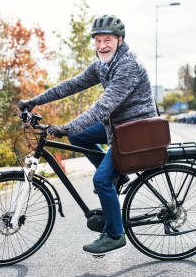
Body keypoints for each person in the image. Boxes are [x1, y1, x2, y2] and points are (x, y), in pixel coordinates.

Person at [17, 14, 157, 256]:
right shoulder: (103, 64)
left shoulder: (128, 66)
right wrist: (34, 101)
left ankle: (115, 234)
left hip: (136, 129)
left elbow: (103, 107)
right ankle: (119, 178)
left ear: (120, 40)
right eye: (98, 41)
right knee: (79, 137)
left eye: (108, 40)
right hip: (116, 127)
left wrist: (65, 127)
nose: (102, 46)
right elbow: (71, 85)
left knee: (101, 179)